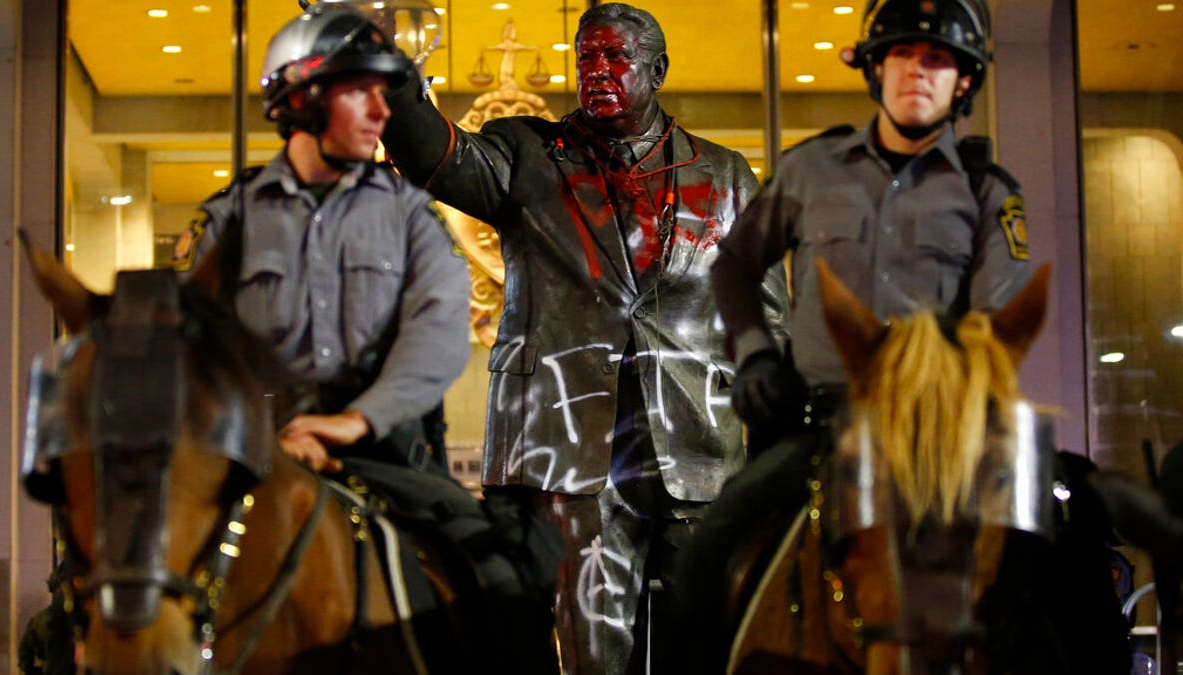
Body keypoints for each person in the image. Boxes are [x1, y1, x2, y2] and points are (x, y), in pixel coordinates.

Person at [381, 3, 775, 672]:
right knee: (592, 653)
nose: (596, 71)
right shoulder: (524, 154)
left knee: (703, 644)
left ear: (658, 69)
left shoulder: (727, 175)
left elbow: (765, 317)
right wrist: (385, 66)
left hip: (697, 447)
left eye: (615, 58)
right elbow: (429, 154)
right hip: (569, 455)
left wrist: (772, 440)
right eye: (585, 58)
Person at [675, 0, 1032, 669]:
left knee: (1063, 560)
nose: (916, 71)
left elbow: (993, 327)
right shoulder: (811, 169)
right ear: (874, 70)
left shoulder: (989, 193)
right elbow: (735, 264)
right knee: (704, 557)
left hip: (942, 441)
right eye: (900, 54)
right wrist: (753, 354)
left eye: (937, 58)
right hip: (820, 427)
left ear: (965, 83)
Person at [173, 4, 470, 475]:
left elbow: (440, 334)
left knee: (493, 549)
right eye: (358, 92)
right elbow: (192, 345)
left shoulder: (411, 215)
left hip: (385, 453)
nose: (381, 111)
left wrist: (355, 421)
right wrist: (270, 431)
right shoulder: (228, 218)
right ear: (300, 99)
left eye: (382, 93)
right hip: (253, 451)